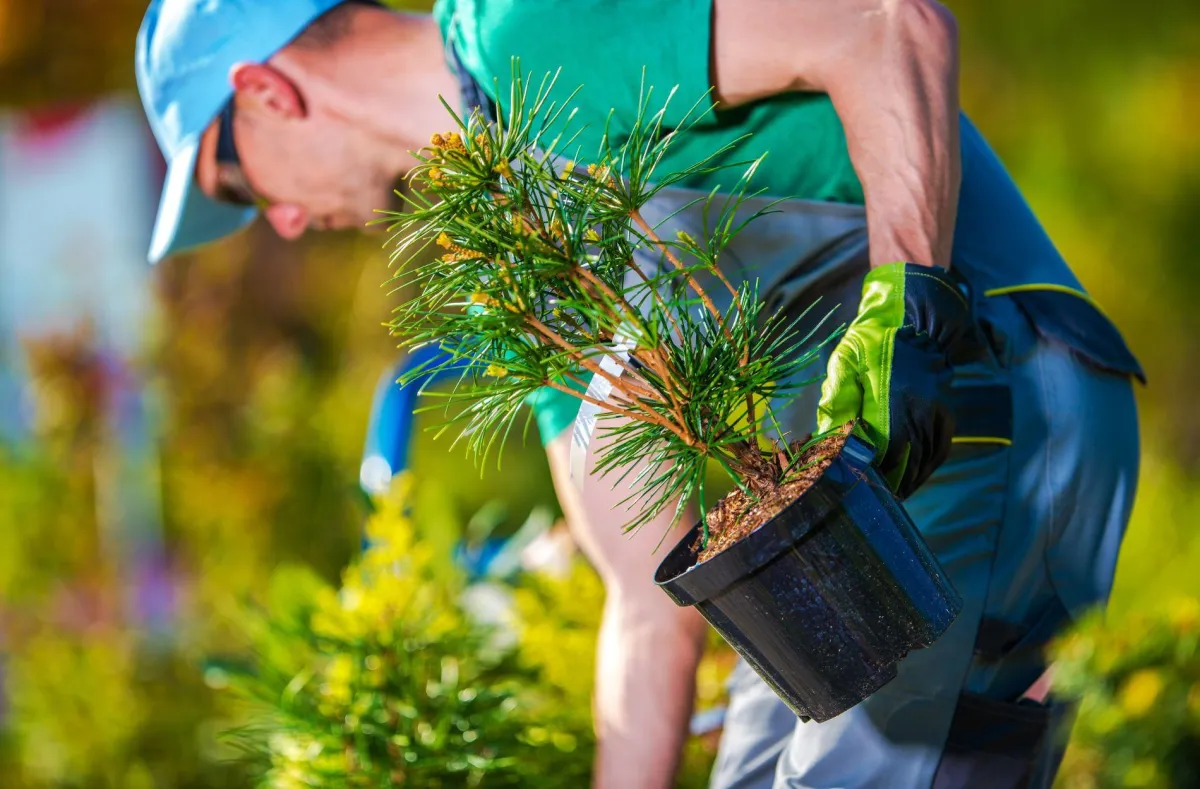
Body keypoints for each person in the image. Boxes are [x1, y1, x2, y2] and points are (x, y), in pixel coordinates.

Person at [134, 1, 1145, 787]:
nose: (284, 223)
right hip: (848, 502)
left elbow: (885, 26)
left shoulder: (530, 24)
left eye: (238, 187)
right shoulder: (514, 258)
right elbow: (642, 596)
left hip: (984, 388)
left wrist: (909, 304)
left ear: (268, 90)